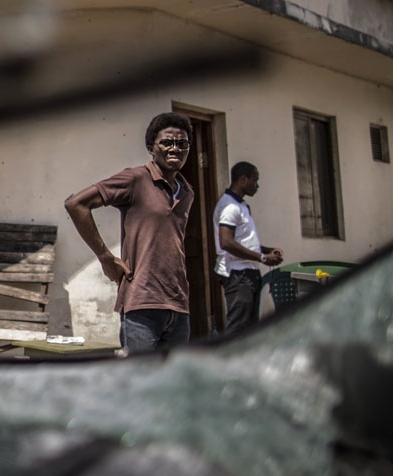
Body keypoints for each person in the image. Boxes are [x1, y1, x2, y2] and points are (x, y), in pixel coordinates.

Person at [64, 113, 194, 354]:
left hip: (178, 305)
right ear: (151, 148)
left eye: (182, 144)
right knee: (140, 384)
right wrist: (105, 256)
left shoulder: (186, 192)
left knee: (173, 385)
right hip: (142, 303)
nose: (175, 149)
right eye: (167, 142)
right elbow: (76, 205)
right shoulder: (136, 179)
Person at [213, 161, 283, 335]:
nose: (257, 186)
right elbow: (227, 243)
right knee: (238, 328)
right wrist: (262, 258)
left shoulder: (242, 206)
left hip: (248, 274)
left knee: (249, 329)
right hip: (238, 275)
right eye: (255, 180)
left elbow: (244, 242)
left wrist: (267, 250)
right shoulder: (229, 207)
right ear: (242, 179)